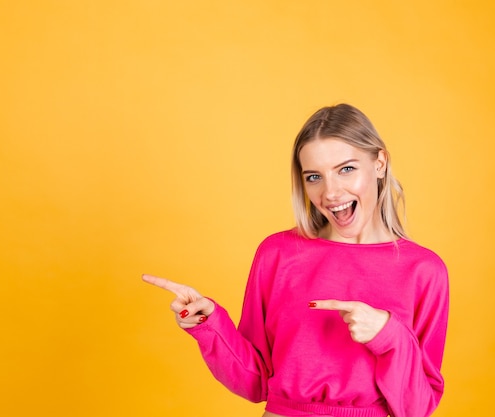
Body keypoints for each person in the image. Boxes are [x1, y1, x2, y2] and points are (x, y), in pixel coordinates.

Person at [143, 103, 449, 417]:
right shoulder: (278, 253)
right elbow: (255, 382)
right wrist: (209, 323)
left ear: (380, 163)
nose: (330, 192)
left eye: (346, 169)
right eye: (314, 176)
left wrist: (387, 334)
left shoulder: (423, 270)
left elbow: (417, 408)